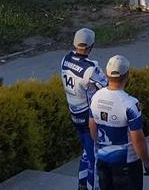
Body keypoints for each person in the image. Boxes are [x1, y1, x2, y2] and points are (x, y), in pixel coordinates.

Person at [89, 55, 149, 189]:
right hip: (127, 166)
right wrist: (146, 163)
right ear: (127, 75)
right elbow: (138, 139)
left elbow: (92, 128)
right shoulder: (130, 104)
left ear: (106, 74)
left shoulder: (96, 97)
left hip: (103, 161)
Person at [61, 27, 107, 190]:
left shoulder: (65, 59)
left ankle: (81, 182)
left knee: (86, 150)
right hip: (88, 116)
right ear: (91, 46)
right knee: (94, 156)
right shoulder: (90, 68)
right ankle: (90, 187)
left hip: (74, 113)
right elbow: (107, 87)